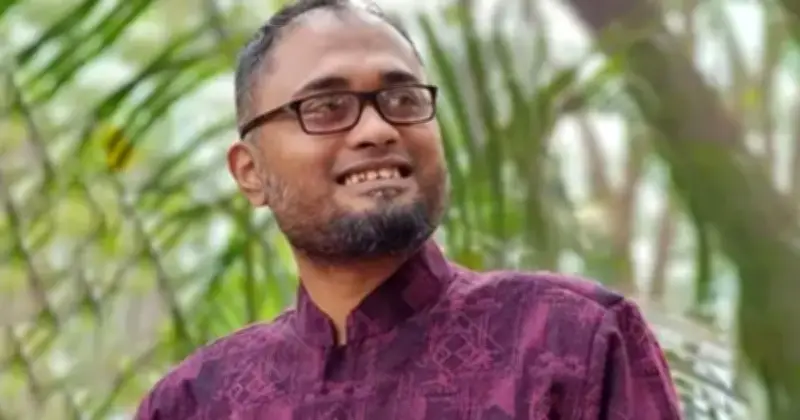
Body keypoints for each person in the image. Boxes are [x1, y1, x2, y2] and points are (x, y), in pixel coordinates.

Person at [134, 0, 682, 418]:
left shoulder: (571, 340)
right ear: (249, 172)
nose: (377, 129)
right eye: (326, 106)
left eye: (403, 99)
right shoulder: (196, 401)